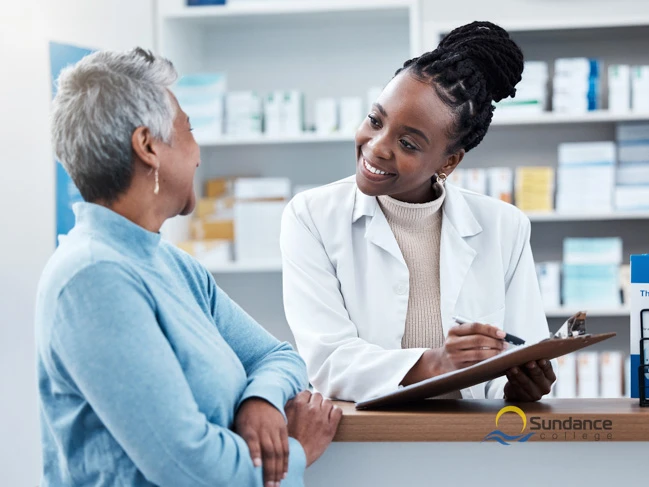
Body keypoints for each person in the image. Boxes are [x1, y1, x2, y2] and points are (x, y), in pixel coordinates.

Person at [35, 47, 340, 487]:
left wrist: (261, 400)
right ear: (147, 146)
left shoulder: (172, 265)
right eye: (189, 131)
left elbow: (277, 356)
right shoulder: (92, 278)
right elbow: (188, 467)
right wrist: (296, 452)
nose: (198, 154)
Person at [281, 22, 556, 403]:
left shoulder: (504, 227)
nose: (376, 147)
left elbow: (519, 354)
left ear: (449, 161)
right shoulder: (312, 216)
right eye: (376, 120)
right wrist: (437, 362)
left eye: (408, 143)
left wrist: (521, 386)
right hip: (364, 445)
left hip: (476, 447)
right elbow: (329, 362)